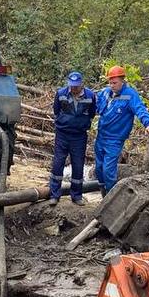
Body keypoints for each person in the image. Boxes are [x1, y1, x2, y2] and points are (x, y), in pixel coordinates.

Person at [94, 65, 149, 194]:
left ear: (122, 81)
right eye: (110, 82)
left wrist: (148, 124)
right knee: (98, 168)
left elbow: (140, 109)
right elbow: (94, 104)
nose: (112, 85)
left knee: (108, 170)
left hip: (115, 139)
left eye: (115, 83)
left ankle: (110, 197)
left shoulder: (130, 95)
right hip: (101, 136)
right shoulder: (105, 92)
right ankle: (103, 192)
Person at [48, 71, 96, 205]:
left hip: (79, 136)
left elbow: (92, 113)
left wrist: (81, 123)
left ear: (82, 84)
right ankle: (54, 195)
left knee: (78, 164)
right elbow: (56, 110)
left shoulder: (90, 96)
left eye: (76, 86)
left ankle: (76, 196)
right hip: (62, 134)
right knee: (58, 164)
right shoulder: (61, 93)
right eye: (71, 86)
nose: (73, 88)